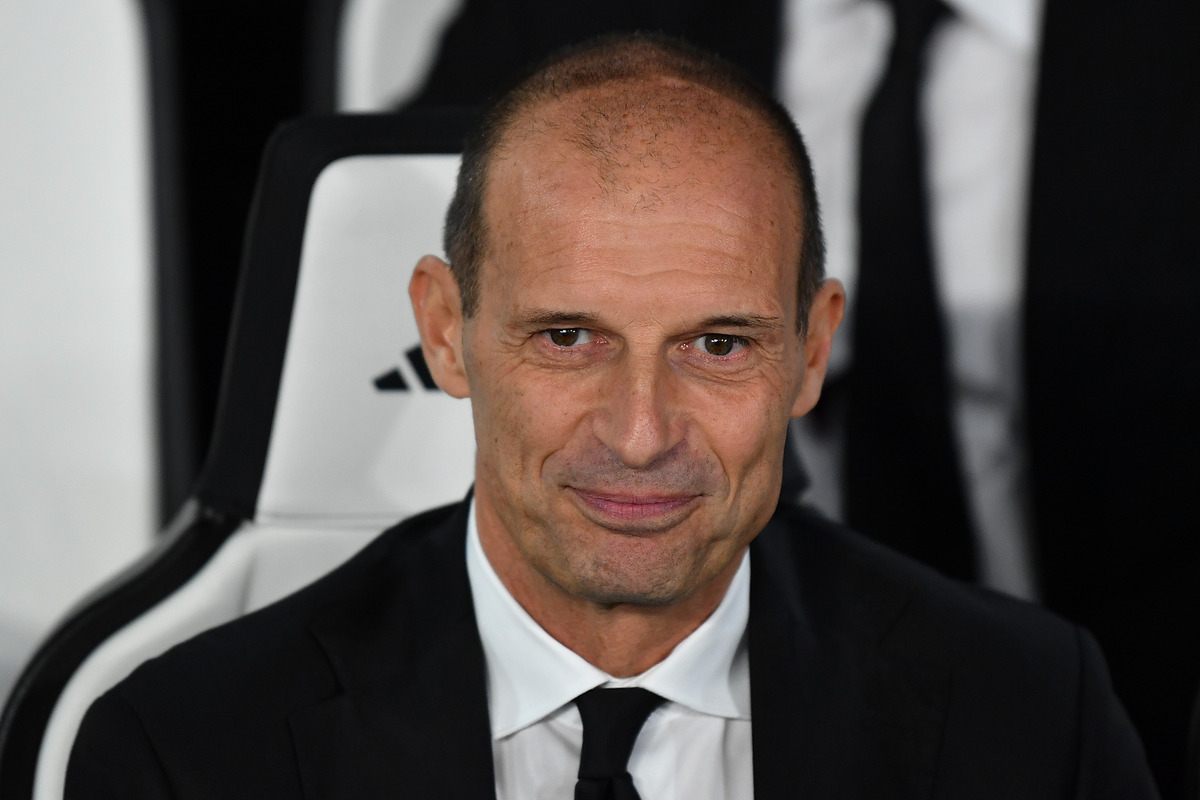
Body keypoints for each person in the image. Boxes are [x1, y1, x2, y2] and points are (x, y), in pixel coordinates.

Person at [66, 34, 1158, 798]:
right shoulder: (187, 752)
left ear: (812, 349)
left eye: (718, 345)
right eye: (568, 337)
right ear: (446, 330)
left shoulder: (1030, 720)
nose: (641, 433)